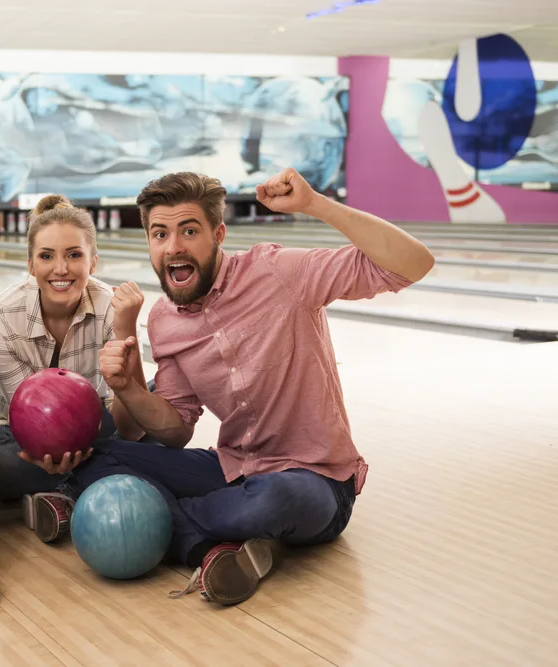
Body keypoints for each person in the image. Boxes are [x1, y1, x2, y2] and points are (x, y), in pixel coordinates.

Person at [45, 168, 436, 606]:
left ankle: (169, 525)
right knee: (97, 454)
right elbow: (176, 431)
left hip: (313, 480)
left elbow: (413, 263)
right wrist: (129, 388)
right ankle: (213, 548)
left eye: (189, 231)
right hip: (234, 469)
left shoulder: (280, 271)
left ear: (218, 234)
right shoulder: (164, 320)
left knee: (270, 500)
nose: (173, 246)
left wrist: (314, 204)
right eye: (160, 234)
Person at [0, 194, 147, 543]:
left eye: (74, 255)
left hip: (93, 426)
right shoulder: (2, 318)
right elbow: (35, 422)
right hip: (17, 438)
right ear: (31, 264)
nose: (61, 269)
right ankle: (98, 480)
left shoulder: (112, 311)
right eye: (47, 256)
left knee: (157, 401)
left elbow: (130, 421)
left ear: (93, 262)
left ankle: (59, 494)